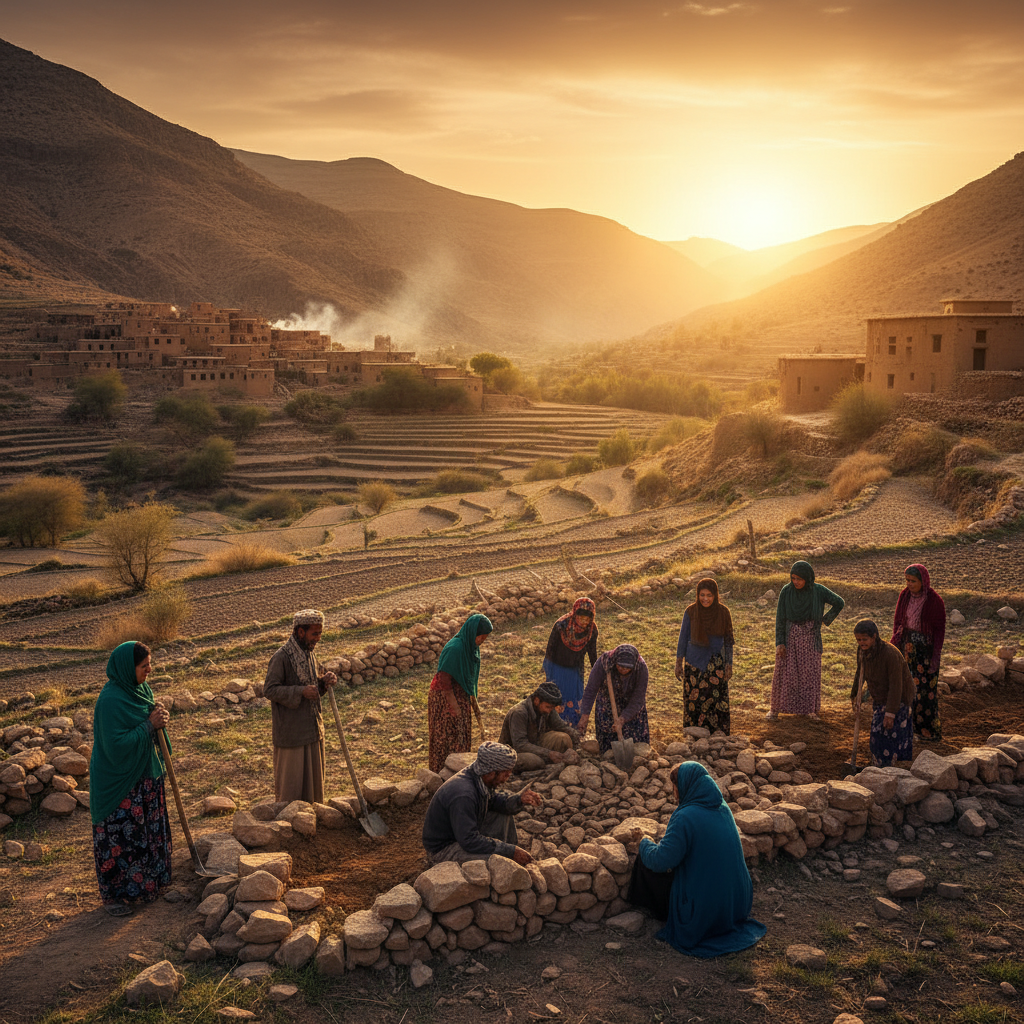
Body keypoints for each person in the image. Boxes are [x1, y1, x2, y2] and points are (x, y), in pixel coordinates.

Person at [627, 762, 766, 957]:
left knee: (645, 860)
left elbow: (661, 861)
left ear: (683, 786)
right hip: (738, 904)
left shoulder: (685, 816)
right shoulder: (722, 807)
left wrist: (644, 842)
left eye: (674, 787)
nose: (674, 793)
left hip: (705, 911)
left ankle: (649, 910)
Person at [89, 641, 172, 916]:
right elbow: (115, 746)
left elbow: (147, 718)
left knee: (147, 833)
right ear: (127, 668)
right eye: (143, 666)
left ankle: (150, 884)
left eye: (150, 664)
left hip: (145, 776)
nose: (149, 670)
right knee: (121, 839)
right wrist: (149, 724)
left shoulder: (140, 689)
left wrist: (157, 717)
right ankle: (116, 896)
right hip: (120, 783)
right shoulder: (110, 700)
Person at [422, 741, 542, 864]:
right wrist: (509, 851)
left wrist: (519, 800)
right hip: (444, 850)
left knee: (502, 814)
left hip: (460, 835)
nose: (507, 779)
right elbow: (469, 840)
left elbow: (494, 800)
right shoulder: (464, 795)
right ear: (491, 773)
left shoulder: (478, 776)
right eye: (505, 774)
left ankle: (511, 857)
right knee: (499, 862)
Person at [264, 608, 338, 804]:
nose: (318, 639)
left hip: (312, 730)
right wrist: (300, 692)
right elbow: (270, 690)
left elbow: (313, 686)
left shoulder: (309, 654)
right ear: (300, 632)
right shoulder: (281, 657)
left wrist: (323, 682)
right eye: (315, 634)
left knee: (313, 789)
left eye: (320, 633)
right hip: (292, 735)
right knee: (292, 790)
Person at [768, 560, 844, 720]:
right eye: (793, 578)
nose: (796, 582)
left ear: (808, 578)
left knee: (809, 674)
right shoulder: (786, 591)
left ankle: (809, 710)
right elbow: (780, 618)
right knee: (785, 673)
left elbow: (839, 602)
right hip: (790, 637)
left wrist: (826, 618)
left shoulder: (818, 591)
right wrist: (779, 642)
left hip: (810, 638)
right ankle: (775, 710)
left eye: (799, 579)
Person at [428, 613, 493, 774]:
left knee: (461, 734)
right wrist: (454, 706)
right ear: (472, 633)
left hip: (461, 694)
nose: (481, 642)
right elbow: (444, 678)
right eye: (481, 638)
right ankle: (440, 774)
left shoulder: (471, 648)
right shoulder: (455, 648)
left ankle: (459, 772)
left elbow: (469, 675)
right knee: (444, 736)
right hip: (444, 698)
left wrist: (470, 696)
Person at [891, 563, 946, 740]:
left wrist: (935, 656)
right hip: (907, 648)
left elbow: (939, 630)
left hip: (925, 652)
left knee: (925, 693)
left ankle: (927, 732)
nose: (909, 584)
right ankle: (907, 729)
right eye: (907, 580)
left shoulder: (934, 601)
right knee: (906, 689)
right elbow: (898, 621)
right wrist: (895, 643)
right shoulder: (905, 596)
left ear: (923, 581)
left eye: (913, 581)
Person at [851, 620, 915, 767]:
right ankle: (878, 765)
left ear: (874, 637)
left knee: (892, 733)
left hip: (899, 698)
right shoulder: (862, 651)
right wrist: (855, 695)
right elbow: (859, 673)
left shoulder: (890, 654)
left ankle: (891, 768)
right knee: (877, 735)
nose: (861, 643)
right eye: (858, 640)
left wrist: (891, 713)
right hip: (879, 697)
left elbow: (896, 685)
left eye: (864, 639)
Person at [675, 578, 734, 734]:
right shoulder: (691, 612)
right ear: (697, 595)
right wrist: (678, 662)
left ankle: (718, 733)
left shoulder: (723, 612)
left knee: (716, 699)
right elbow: (682, 638)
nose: (705, 599)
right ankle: (694, 733)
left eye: (709, 595)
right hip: (694, 663)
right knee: (694, 700)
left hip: (717, 663)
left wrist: (729, 664)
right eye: (702, 595)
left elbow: (728, 641)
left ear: (715, 595)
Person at [578, 644, 650, 752]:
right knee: (607, 747)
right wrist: (585, 715)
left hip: (631, 705)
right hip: (607, 703)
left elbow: (638, 699)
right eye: (620, 666)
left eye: (627, 668)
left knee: (635, 745)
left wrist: (622, 719)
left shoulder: (641, 668)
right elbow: (591, 690)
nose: (624, 670)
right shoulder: (604, 663)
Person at [542, 597, 599, 726]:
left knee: (575, 701)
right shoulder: (561, 626)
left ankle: (574, 729)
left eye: (587, 619)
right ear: (574, 614)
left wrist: (597, 672)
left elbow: (592, 653)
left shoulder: (591, 630)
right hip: (557, 669)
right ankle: (554, 727)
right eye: (581, 618)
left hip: (575, 671)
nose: (584, 622)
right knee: (556, 699)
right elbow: (550, 650)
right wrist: (549, 673)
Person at [498, 682, 579, 771]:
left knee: (563, 738)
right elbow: (520, 745)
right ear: (537, 700)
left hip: (535, 743)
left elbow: (561, 726)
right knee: (535, 761)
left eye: (551, 708)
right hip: (512, 752)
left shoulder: (548, 708)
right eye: (547, 707)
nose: (549, 711)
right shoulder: (519, 713)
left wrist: (577, 740)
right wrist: (548, 753)